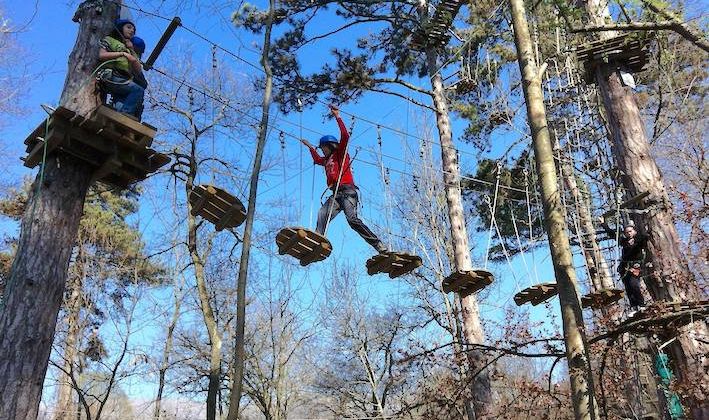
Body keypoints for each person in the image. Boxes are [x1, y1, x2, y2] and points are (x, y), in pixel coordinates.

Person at [300, 105, 387, 254]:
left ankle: (377, 244)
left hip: (347, 191)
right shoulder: (326, 160)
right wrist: (310, 147)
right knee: (322, 213)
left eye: (323, 148)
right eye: (321, 149)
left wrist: (337, 116)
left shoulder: (341, 154)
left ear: (330, 145)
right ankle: (317, 239)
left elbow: (345, 136)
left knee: (352, 220)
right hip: (336, 194)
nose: (322, 150)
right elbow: (316, 160)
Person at [97, 19, 146, 120]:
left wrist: (131, 52)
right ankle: (124, 117)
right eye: (128, 27)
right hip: (111, 75)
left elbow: (138, 70)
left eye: (134, 30)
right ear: (120, 28)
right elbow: (101, 55)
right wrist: (122, 54)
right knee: (137, 90)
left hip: (124, 80)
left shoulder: (131, 51)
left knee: (120, 105)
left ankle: (116, 121)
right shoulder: (110, 40)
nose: (132, 30)